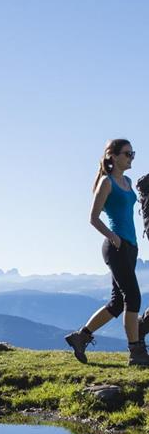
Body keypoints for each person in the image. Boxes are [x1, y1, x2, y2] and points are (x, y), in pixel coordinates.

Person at [65, 138, 149, 366]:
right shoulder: (107, 182)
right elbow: (93, 217)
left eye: (133, 154)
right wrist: (112, 236)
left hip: (130, 248)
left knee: (117, 303)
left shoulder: (128, 181)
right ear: (113, 156)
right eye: (127, 154)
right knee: (133, 298)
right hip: (116, 248)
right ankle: (136, 352)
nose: (131, 157)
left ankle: (81, 337)